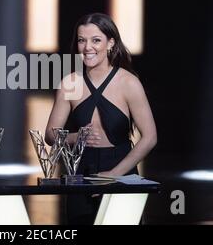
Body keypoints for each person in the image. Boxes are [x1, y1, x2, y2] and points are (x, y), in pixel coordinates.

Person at [45, 13, 157, 224]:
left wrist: (113, 175)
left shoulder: (128, 82)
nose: (88, 47)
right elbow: (50, 135)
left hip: (121, 171)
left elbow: (150, 137)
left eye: (96, 40)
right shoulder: (70, 83)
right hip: (81, 173)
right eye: (82, 40)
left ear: (110, 43)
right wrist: (76, 137)